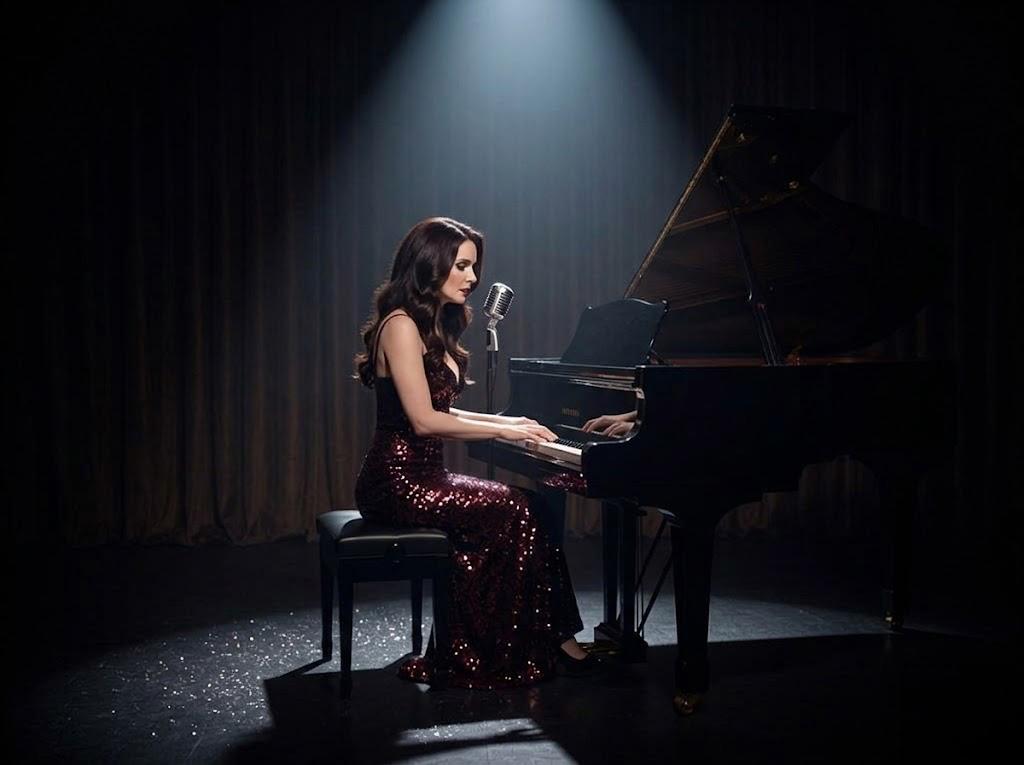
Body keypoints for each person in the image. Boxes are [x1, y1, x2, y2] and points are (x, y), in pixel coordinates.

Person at [353, 217, 599, 688]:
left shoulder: (429, 326)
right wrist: (503, 434)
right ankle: (502, 648)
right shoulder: (400, 326)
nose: (473, 278)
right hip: (397, 482)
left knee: (530, 506)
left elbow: (448, 413)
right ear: (431, 265)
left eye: (474, 267)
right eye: (462, 266)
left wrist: (510, 423)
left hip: (426, 478)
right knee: (516, 507)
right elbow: (425, 421)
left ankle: (550, 635)